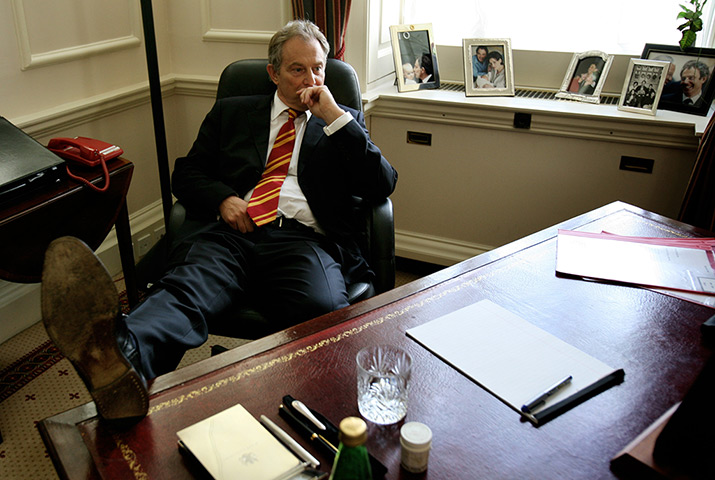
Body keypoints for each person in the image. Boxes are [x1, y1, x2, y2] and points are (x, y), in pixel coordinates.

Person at [41, 19, 398, 421]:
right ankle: (120, 361)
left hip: (302, 242)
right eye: (297, 69)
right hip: (230, 234)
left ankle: (313, 407)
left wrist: (334, 118)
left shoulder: (341, 121)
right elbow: (187, 173)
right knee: (183, 294)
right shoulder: (233, 112)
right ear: (273, 73)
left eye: (318, 68)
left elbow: (382, 184)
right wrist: (224, 199)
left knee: (321, 315)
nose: (310, 79)